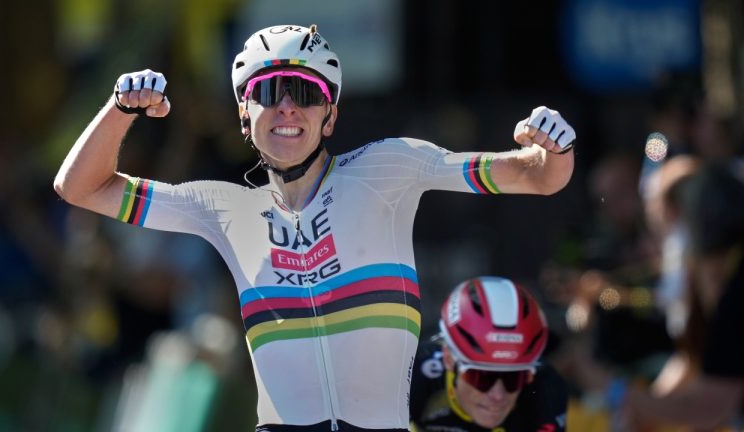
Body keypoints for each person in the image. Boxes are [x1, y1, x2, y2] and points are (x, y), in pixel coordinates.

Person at [53, 24, 576, 432]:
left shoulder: (387, 168)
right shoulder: (224, 208)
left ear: (329, 115)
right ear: (244, 113)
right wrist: (120, 110)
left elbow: (538, 177)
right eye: (269, 91)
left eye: (304, 93)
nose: (286, 107)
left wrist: (555, 148)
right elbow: (79, 188)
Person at [616, 163, 744, 430]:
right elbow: (692, 362)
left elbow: (709, 408)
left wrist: (617, 393)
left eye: (671, 225)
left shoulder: (734, 295)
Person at [410, 276, 568, 431]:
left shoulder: (545, 386)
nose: (498, 396)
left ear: (528, 375)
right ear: (449, 359)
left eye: (513, 378)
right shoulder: (417, 372)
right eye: (482, 377)